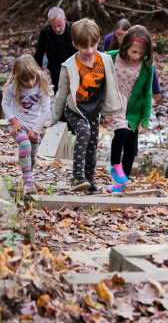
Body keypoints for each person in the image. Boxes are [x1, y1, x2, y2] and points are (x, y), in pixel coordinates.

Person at [45, 18, 123, 193]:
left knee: (93, 145)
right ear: (75, 44)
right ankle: (77, 177)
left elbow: (111, 87)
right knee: (84, 132)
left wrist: (110, 112)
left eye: (93, 45)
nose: (89, 50)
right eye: (84, 47)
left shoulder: (104, 60)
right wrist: (53, 118)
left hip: (94, 111)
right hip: (75, 110)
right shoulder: (69, 66)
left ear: (98, 42)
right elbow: (61, 94)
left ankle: (89, 181)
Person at [104, 25, 156, 192]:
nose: (137, 56)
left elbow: (147, 95)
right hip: (114, 105)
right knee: (121, 133)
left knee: (131, 147)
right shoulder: (109, 58)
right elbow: (97, 84)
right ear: (125, 46)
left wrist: (145, 120)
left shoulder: (146, 66)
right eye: (134, 52)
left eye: (141, 53)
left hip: (132, 109)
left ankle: (121, 183)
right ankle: (115, 166)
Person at [2, 55, 53, 194]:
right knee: (25, 144)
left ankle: (29, 177)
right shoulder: (14, 85)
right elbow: (5, 104)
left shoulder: (41, 85)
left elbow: (46, 110)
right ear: (18, 77)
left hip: (34, 124)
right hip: (17, 123)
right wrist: (14, 121)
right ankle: (29, 182)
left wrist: (36, 130)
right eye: (25, 80)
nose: (30, 83)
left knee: (32, 155)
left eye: (32, 78)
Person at [33, 7, 76, 88]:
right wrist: (36, 75)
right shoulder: (45, 32)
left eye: (59, 25)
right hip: (56, 71)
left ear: (65, 19)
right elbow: (39, 54)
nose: (57, 29)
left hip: (74, 69)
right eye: (54, 26)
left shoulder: (75, 29)